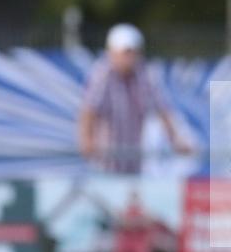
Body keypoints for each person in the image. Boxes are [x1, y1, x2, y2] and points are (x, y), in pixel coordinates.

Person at [78, 23, 190, 174]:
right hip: (105, 163)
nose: (130, 58)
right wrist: (87, 140)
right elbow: (89, 110)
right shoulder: (102, 75)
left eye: (133, 52)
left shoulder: (146, 74)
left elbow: (162, 110)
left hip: (134, 161)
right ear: (112, 52)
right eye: (125, 53)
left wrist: (175, 140)